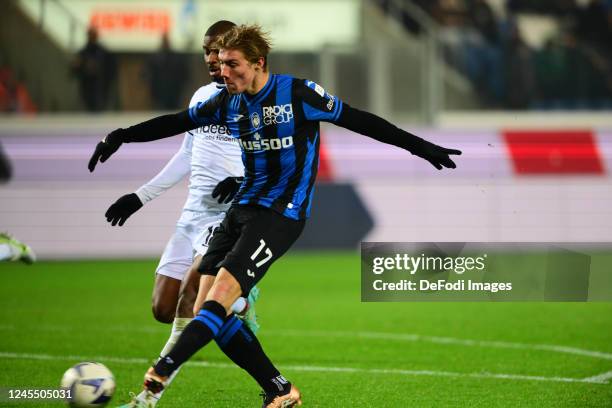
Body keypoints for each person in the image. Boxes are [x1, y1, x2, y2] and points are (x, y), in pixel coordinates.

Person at [89, 24, 461, 407]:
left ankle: (160, 374)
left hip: (281, 214)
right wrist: (121, 134)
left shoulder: (298, 94)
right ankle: (281, 391)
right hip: (242, 209)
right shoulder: (226, 102)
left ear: (258, 63)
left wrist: (420, 147)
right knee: (206, 312)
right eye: (220, 64)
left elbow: (360, 120)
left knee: (214, 303)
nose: (225, 73)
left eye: (233, 65)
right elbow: (176, 122)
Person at [106, 21, 260, 408]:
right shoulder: (204, 97)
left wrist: (241, 181)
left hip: (224, 218)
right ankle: (237, 302)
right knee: (163, 308)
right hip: (191, 215)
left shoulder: (253, 100)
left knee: (191, 298)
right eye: (206, 51)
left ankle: (148, 397)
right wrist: (140, 197)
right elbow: (185, 156)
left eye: (218, 50)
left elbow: (269, 157)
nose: (211, 58)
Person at [71, 27, 116, 112]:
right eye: (90, 35)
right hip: (87, 85)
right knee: (89, 107)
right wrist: (79, 66)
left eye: (93, 35)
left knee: (99, 107)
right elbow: (75, 68)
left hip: (100, 86)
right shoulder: (83, 52)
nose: (91, 37)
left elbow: (110, 68)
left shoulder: (103, 52)